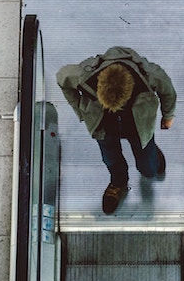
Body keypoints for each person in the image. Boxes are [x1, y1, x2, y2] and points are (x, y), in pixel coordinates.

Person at [57, 47, 177, 214]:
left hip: (137, 123)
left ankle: (152, 158)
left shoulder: (148, 76)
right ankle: (118, 182)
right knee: (110, 157)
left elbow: (168, 91)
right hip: (104, 124)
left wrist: (168, 115)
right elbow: (62, 78)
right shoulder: (83, 76)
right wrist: (79, 109)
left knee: (148, 168)